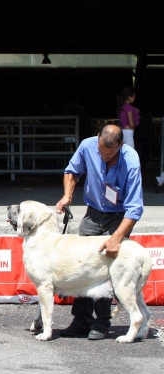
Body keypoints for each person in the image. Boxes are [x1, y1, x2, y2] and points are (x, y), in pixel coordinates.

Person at [55, 124, 143, 340]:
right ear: (97, 139)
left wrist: (116, 238)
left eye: (109, 153)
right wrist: (68, 195)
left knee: (107, 267)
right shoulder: (87, 146)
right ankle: (81, 319)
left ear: (120, 146)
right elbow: (71, 171)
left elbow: (135, 208)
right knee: (82, 266)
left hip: (118, 217)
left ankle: (102, 323)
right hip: (93, 213)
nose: (103, 156)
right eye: (101, 150)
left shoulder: (131, 160)